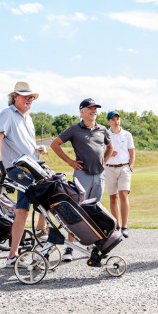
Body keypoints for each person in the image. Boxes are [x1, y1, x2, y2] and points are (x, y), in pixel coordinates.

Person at [0, 81, 47, 267]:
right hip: (18, 170)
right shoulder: (7, 114)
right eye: (25, 96)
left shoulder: (28, 118)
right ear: (15, 97)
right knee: (22, 210)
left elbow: (24, 143)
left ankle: (41, 230)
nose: (29, 99)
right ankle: (13, 255)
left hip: (32, 166)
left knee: (50, 190)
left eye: (31, 97)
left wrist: (37, 148)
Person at [51, 98, 113, 261]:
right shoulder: (74, 129)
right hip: (82, 175)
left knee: (94, 211)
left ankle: (94, 245)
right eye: (90, 108)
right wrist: (70, 162)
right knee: (76, 211)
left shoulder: (102, 129)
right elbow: (55, 144)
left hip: (99, 175)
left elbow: (110, 147)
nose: (94, 111)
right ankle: (70, 249)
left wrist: (103, 161)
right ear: (82, 111)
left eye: (95, 109)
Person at [105, 110, 135, 238]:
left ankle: (124, 226)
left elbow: (132, 153)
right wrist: (108, 152)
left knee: (123, 194)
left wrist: (130, 167)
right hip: (109, 168)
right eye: (113, 119)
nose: (116, 122)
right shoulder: (104, 134)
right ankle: (117, 225)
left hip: (124, 167)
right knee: (113, 197)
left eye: (117, 119)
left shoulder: (127, 135)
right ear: (108, 121)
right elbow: (99, 150)